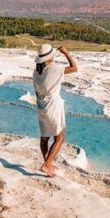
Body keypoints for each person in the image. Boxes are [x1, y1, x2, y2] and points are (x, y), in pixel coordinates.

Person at [32, 44, 77, 177]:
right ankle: (46, 165)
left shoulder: (36, 72)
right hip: (53, 105)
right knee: (59, 137)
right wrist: (66, 52)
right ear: (50, 57)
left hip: (41, 106)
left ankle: (48, 163)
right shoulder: (54, 69)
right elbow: (74, 68)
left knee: (44, 137)